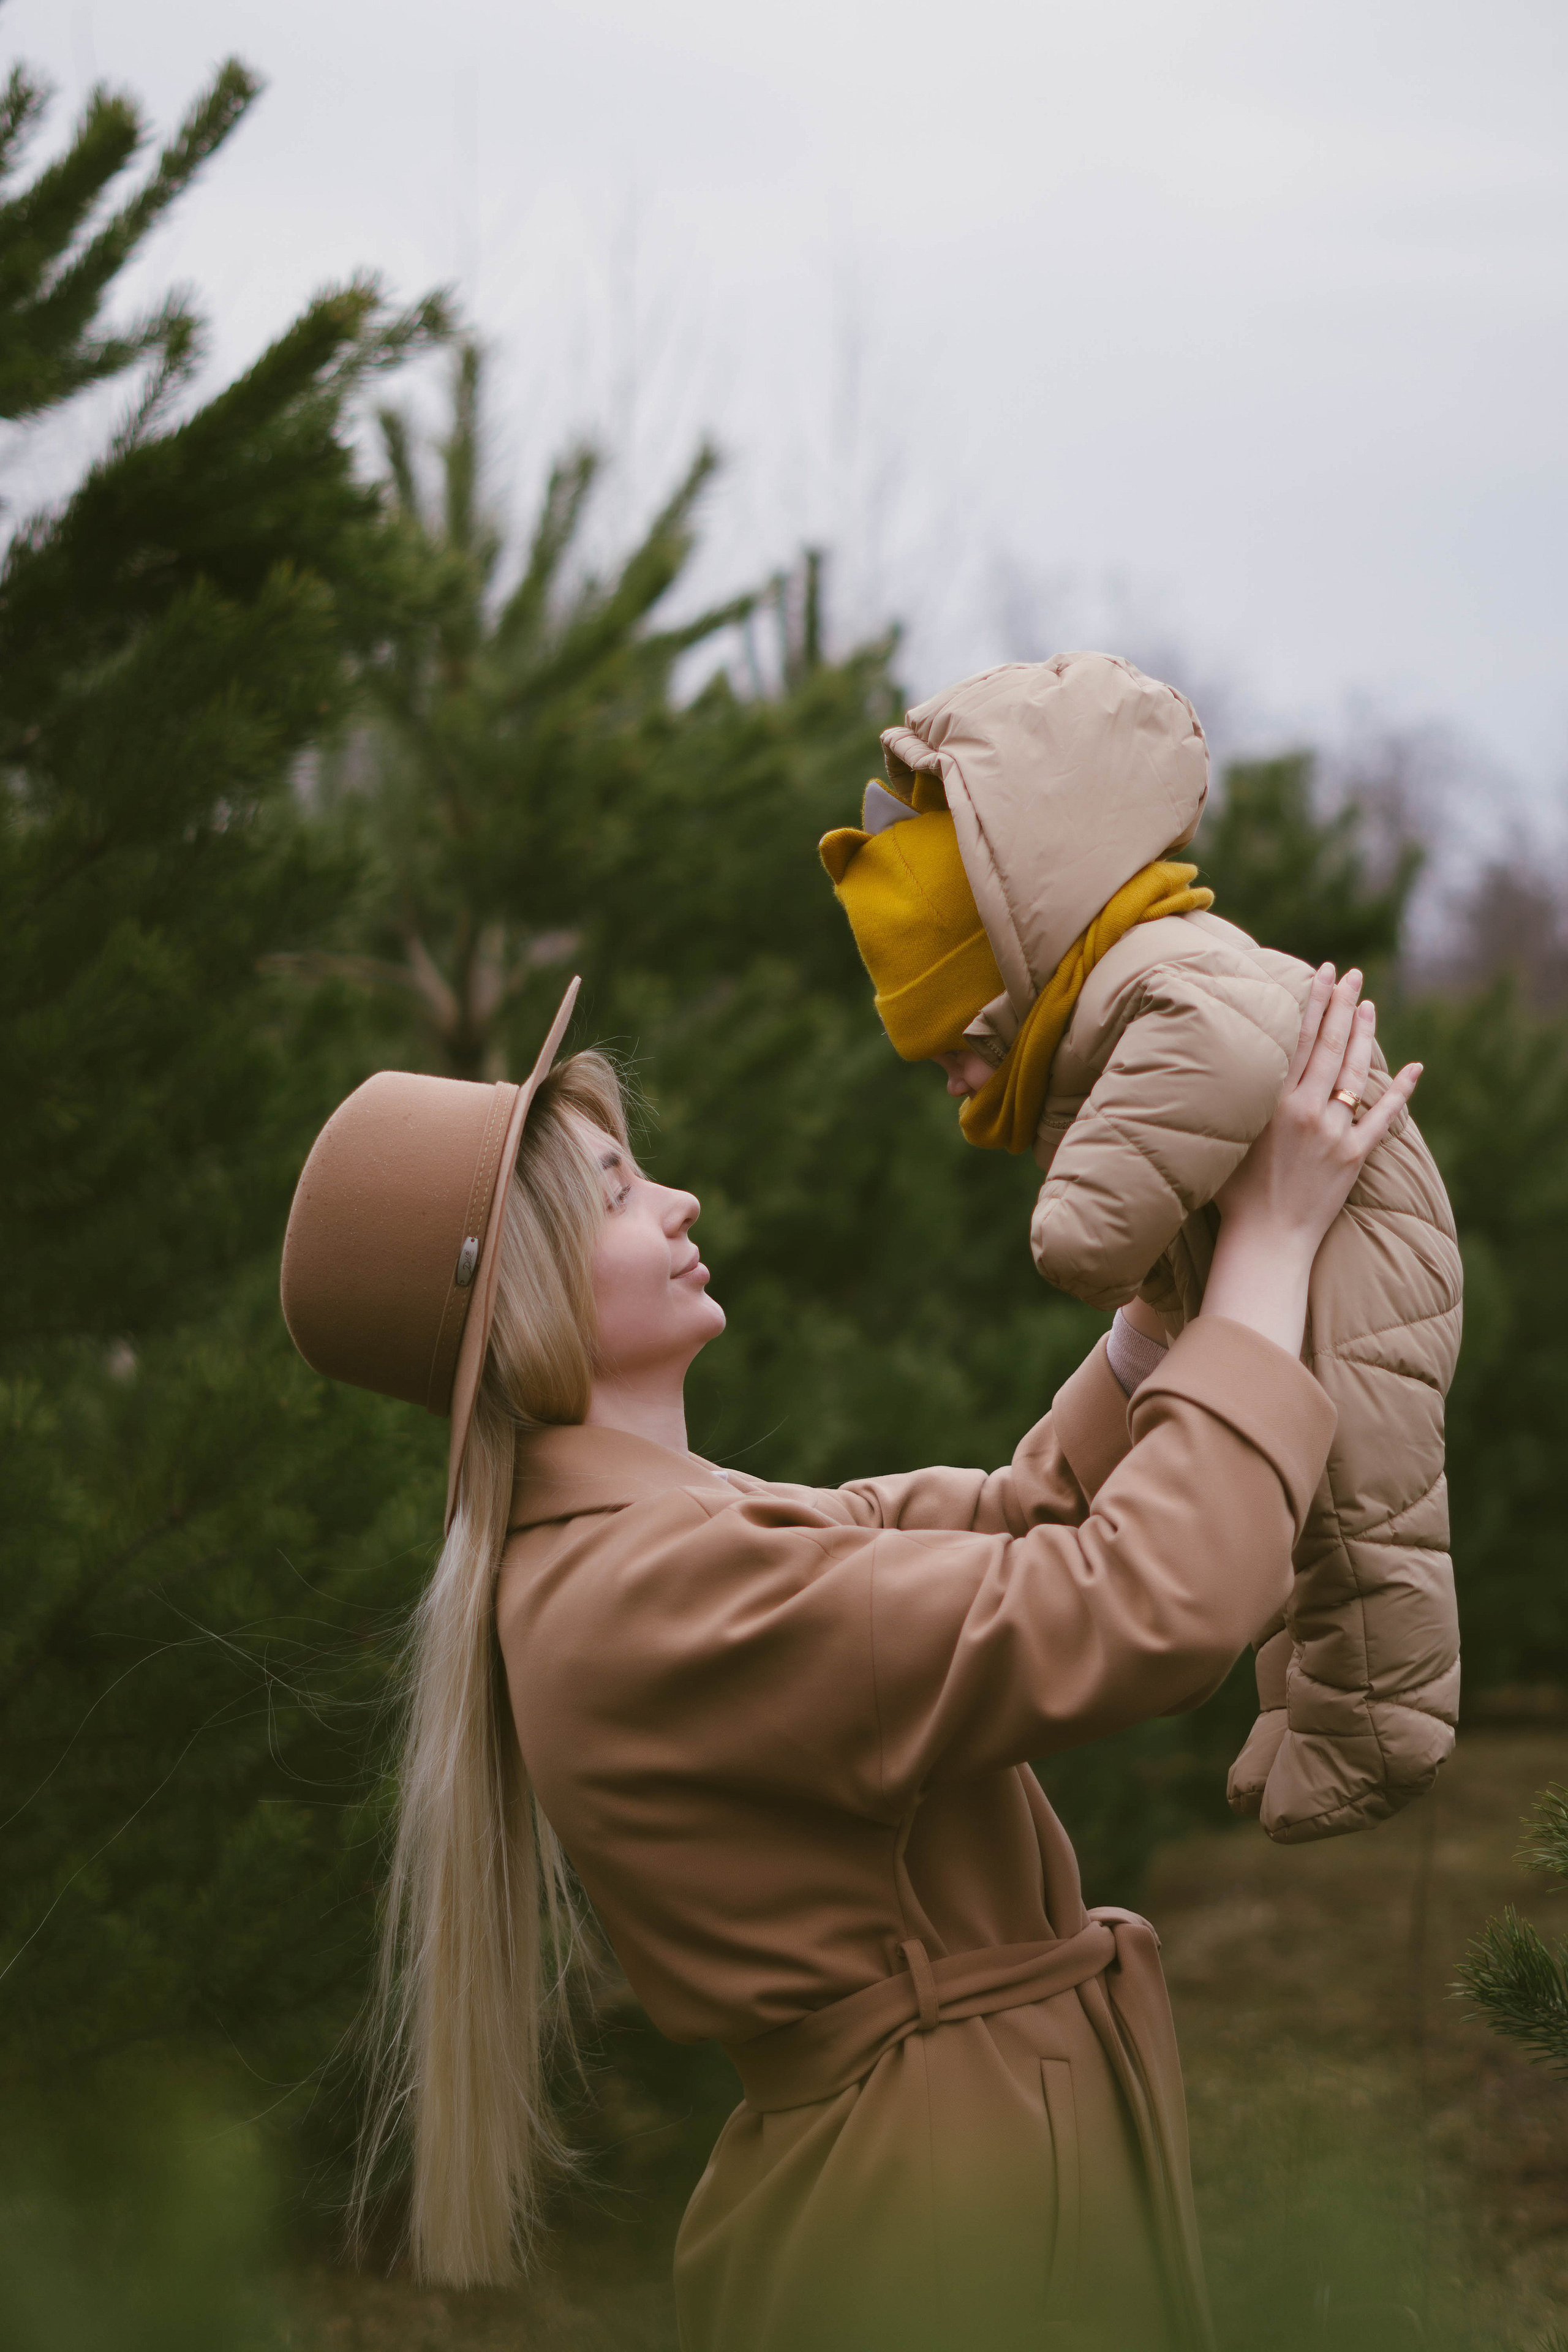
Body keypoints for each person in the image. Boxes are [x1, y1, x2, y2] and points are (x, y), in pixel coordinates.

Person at [279, 961, 1418, 2351]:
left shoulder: (665, 1539)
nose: (678, 1199)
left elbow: (1024, 1517)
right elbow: (1139, 1604)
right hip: (939, 2227)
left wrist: (1167, 1300)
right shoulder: (642, 1591)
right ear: (517, 1289)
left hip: (949, 2175)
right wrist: (1269, 1252)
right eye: (620, 1192)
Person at [819, 652, 1462, 1845]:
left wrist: (1082, 1227)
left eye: (955, 1041)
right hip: (1293, 1253)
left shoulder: (1153, 976)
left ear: (1013, 970)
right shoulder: (1113, 988)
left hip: (1361, 1260)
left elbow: (1219, 1053)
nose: (957, 1080)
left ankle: (1381, 1731)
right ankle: (1300, 1712)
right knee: (1279, 1500)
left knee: (1361, 1513)